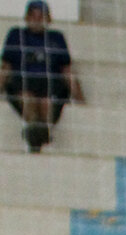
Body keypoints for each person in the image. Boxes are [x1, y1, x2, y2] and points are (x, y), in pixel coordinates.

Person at [2, 1, 82, 152]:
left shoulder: (56, 37)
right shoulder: (16, 35)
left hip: (49, 82)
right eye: (33, 15)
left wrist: (80, 99)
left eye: (41, 16)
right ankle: (35, 131)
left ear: (48, 19)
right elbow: (5, 67)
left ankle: (39, 134)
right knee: (28, 98)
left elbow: (66, 69)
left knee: (47, 101)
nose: (37, 19)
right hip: (24, 81)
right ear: (26, 18)